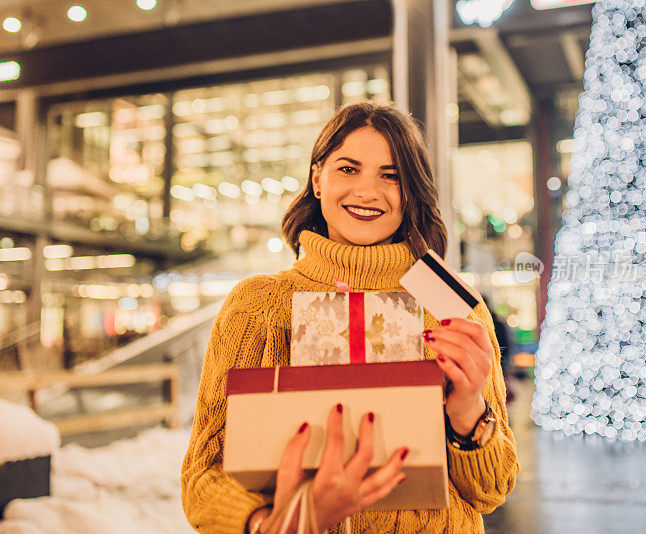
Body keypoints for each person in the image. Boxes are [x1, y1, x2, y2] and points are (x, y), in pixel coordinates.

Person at [181, 102, 519, 533]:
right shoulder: (256, 305)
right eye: (348, 169)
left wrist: (468, 411)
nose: (367, 191)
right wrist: (272, 524)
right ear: (317, 178)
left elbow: (491, 491)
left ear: (411, 190)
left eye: (391, 175)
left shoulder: (452, 306)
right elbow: (202, 477)